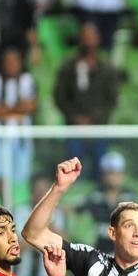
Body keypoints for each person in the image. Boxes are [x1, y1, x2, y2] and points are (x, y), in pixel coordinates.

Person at [53, 22, 119, 169]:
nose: (88, 42)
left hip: (100, 128)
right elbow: (60, 96)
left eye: (91, 37)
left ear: (98, 39)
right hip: (74, 128)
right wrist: (76, 118)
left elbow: (112, 99)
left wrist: (93, 119)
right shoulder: (69, 67)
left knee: (101, 168)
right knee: (72, 169)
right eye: (85, 37)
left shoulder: (106, 68)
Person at [0, 47, 37, 199]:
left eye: (14, 62)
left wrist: (5, 109)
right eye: (7, 62)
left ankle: (19, 208)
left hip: (22, 138)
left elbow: (31, 106)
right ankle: (6, 206)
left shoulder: (28, 80)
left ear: (21, 63)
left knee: (22, 176)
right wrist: (17, 109)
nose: (10, 65)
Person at [74, 151, 138, 254]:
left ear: (122, 175)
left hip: (126, 249)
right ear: (103, 175)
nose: (112, 177)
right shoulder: (95, 196)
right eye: (109, 173)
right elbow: (77, 210)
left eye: (116, 173)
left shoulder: (130, 196)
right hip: (101, 250)